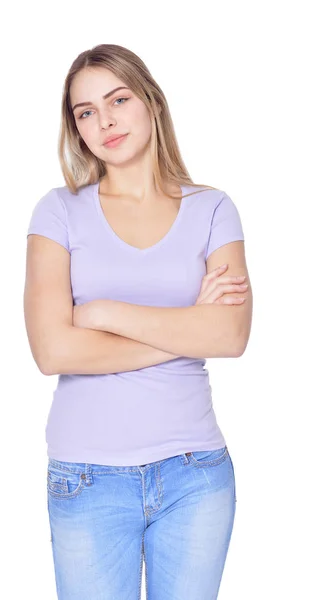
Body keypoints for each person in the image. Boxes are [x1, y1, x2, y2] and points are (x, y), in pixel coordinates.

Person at [24, 43, 252, 600]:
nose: (104, 121)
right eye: (85, 112)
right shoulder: (57, 210)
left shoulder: (214, 209)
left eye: (117, 99)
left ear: (149, 100)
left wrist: (103, 315)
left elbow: (230, 335)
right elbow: (52, 351)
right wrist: (185, 326)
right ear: (76, 129)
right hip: (86, 477)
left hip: (195, 474)